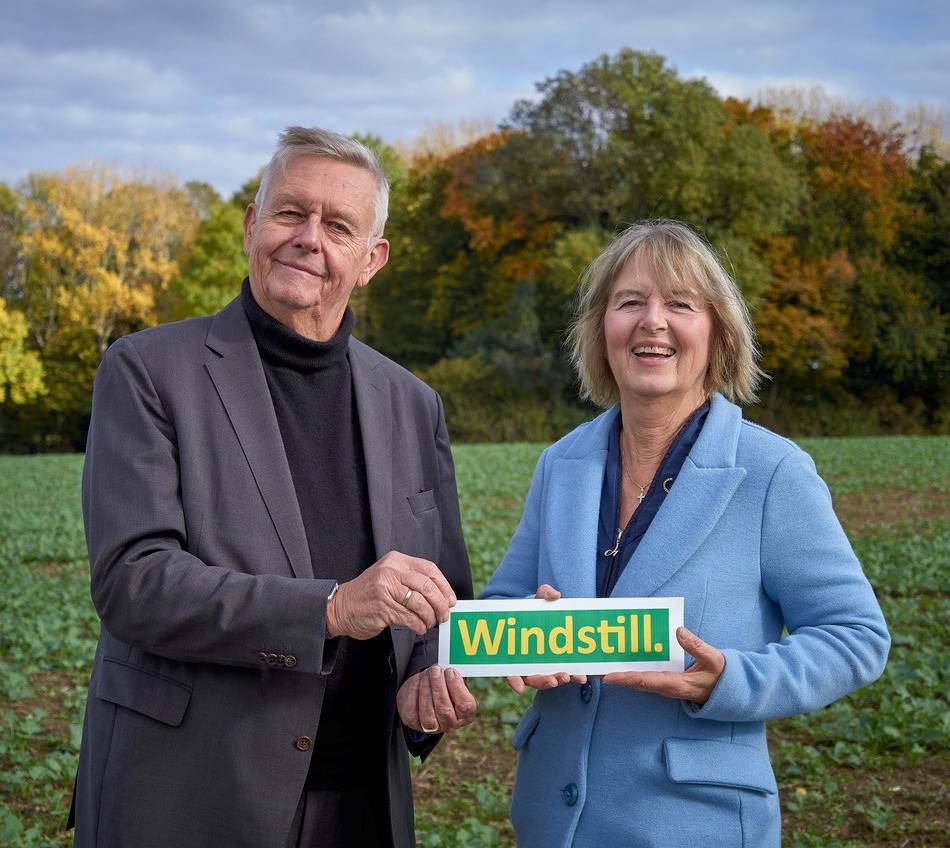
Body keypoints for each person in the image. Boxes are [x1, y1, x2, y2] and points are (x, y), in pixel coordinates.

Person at [68, 126, 477, 848]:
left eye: (339, 226)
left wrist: (430, 675)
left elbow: (443, 596)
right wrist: (332, 608)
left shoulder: (414, 403)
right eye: (291, 213)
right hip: (191, 800)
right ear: (252, 225)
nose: (308, 238)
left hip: (363, 803)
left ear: (371, 260)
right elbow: (135, 582)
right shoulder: (146, 370)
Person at [481, 220, 889, 847]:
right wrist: (523, 641)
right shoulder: (561, 463)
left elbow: (856, 637)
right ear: (601, 329)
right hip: (552, 820)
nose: (652, 322)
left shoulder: (772, 471)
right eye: (629, 303)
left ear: (717, 332)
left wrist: (730, 681)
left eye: (680, 304)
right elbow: (506, 602)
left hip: (696, 821)